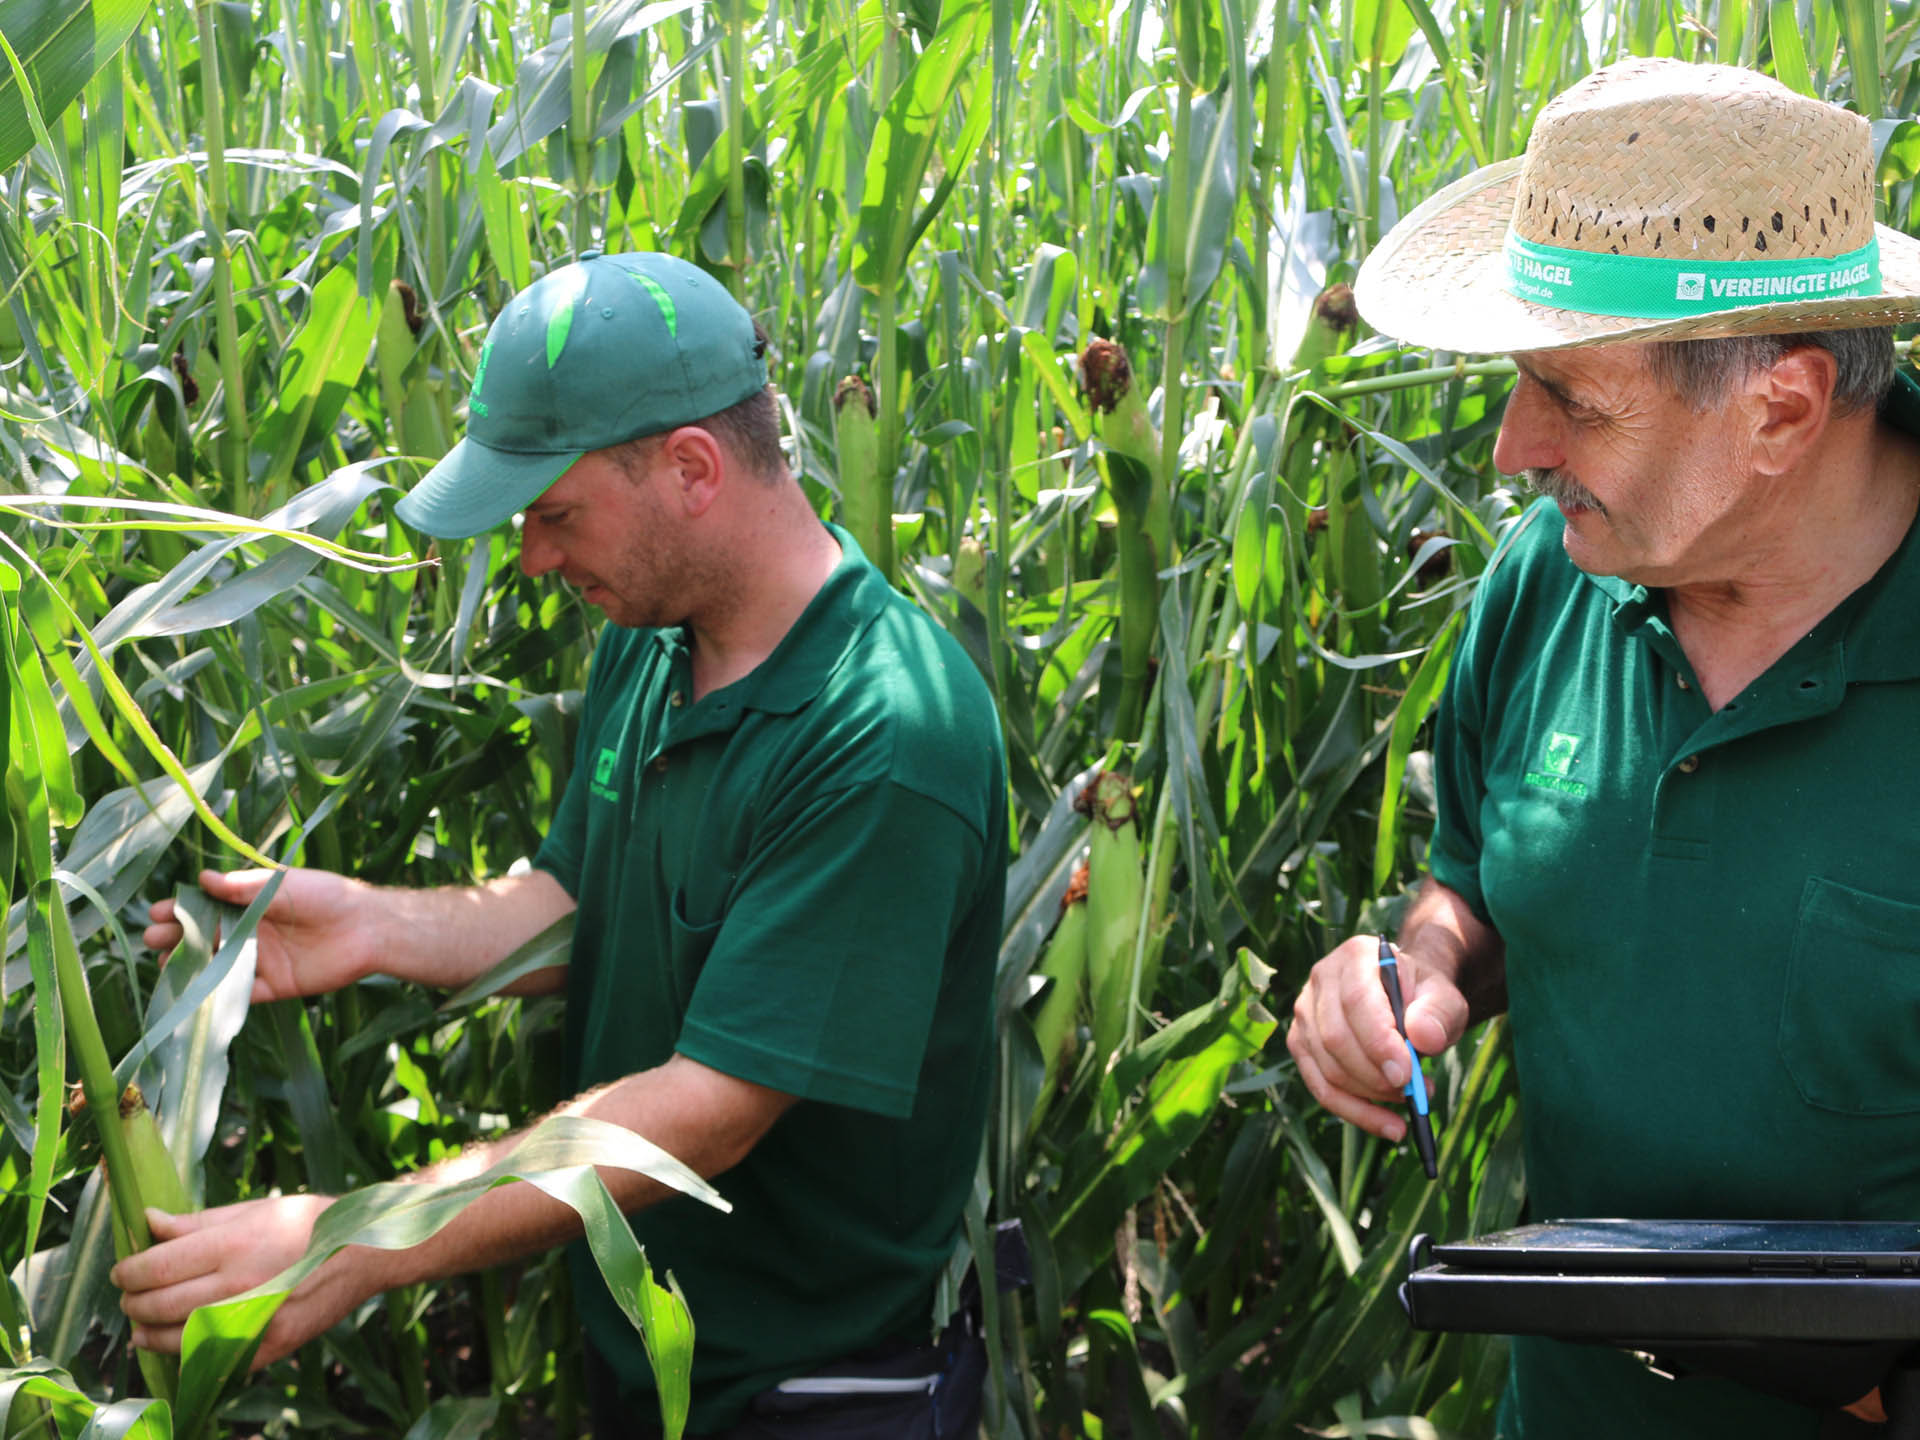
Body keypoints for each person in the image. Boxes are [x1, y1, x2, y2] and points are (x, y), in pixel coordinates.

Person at [115, 250, 1008, 1439]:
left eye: (555, 512)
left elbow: (707, 1113)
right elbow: (579, 897)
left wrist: (356, 1237)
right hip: (656, 1354)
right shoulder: (657, 628)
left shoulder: (886, 736)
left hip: (820, 1391)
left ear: (692, 469)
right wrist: (378, 924)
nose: (536, 556)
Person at [1285, 58, 1920, 1440]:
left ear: (1783, 411)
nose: (1516, 447)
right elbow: (1486, 884)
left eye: (1570, 397)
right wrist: (1419, 968)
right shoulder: (1548, 583)